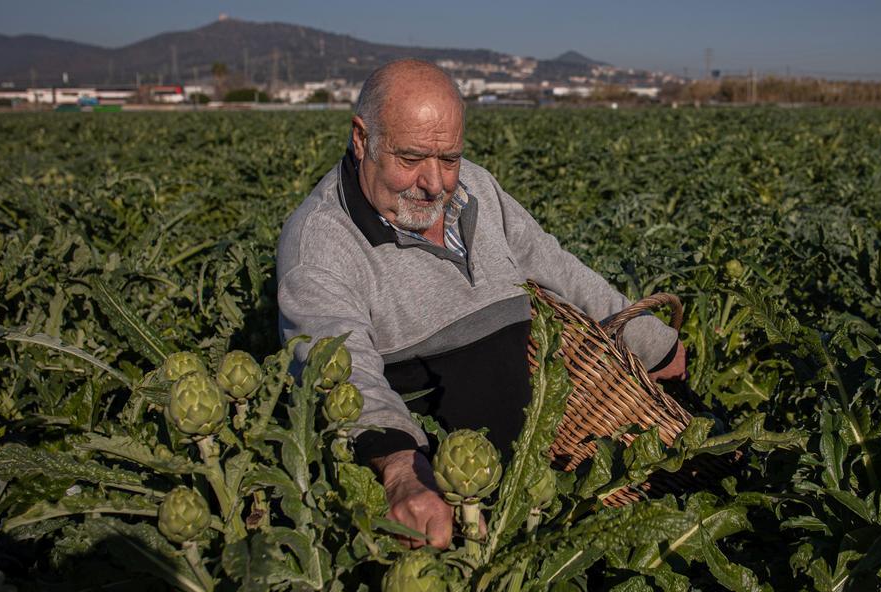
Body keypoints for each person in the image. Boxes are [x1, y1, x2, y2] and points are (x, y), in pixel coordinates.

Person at [276, 59, 686, 549]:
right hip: (467, 516)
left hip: (561, 465)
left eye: (448, 158)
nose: (436, 184)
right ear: (362, 139)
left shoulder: (477, 188)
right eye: (411, 159)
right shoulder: (320, 244)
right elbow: (338, 370)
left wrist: (654, 345)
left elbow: (552, 264)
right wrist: (404, 472)